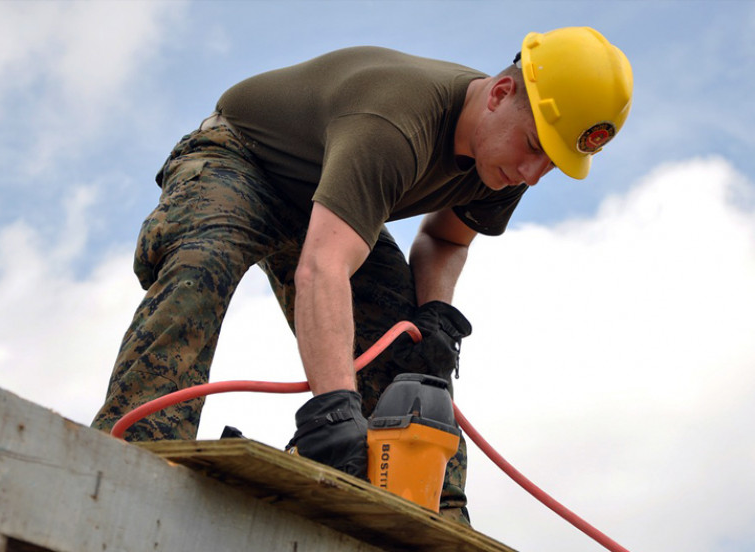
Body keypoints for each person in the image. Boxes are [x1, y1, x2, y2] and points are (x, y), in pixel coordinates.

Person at [92, 26, 633, 522]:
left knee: (413, 346)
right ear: (498, 95)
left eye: (553, 163)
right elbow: (323, 268)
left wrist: (434, 312)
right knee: (202, 265)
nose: (532, 174)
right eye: (535, 147)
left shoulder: (508, 165)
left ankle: (434, 506)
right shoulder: (395, 124)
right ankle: (136, 445)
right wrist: (333, 411)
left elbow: (445, 238)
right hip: (244, 161)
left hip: (331, 201)